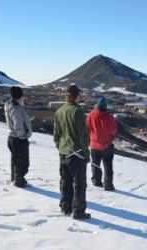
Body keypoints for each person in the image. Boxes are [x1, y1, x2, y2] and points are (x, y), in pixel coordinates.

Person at [53, 84, 91, 220]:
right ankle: (78, 211)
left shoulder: (59, 112)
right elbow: (83, 136)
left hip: (63, 153)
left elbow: (56, 135)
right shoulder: (77, 111)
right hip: (77, 154)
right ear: (77, 96)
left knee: (65, 181)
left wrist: (61, 147)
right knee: (79, 184)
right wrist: (86, 154)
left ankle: (65, 207)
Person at [86, 97, 117, 191]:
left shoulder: (91, 115)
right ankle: (108, 185)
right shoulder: (109, 117)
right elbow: (113, 130)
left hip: (94, 144)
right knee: (108, 165)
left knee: (95, 164)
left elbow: (87, 128)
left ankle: (96, 181)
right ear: (105, 106)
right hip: (106, 145)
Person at [4, 86, 32, 187]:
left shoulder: (8, 104)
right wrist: (23, 136)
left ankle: (15, 178)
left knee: (15, 159)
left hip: (12, 137)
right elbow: (18, 123)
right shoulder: (16, 108)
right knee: (22, 161)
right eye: (22, 95)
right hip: (18, 138)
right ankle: (19, 181)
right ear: (19, 96)